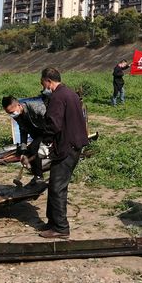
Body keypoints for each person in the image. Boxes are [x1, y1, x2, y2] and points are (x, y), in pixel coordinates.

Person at [39, 67, 89, 239]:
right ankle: (52, 221)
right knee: (55, 183)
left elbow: (53, 123)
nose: (43, 87)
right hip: (74, 144)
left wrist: (44, 142)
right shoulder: (71, 93)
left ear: (48, 81)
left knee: (57, 187)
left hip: (67, 146)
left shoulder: (57, 97)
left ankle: (61, 228)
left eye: (43, 84)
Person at [1, 95, 47, 185]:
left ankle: (39, 177)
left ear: (18, 105)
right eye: (8, 113)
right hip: (37, 135)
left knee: (34, 148)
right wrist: (23, 148)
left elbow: (52, 120)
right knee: (28, 152)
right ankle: (37, 176)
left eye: (11, 112)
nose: (11, 115)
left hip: (48, 132)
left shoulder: (35, 107)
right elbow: (23, 130)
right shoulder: (16, 116)